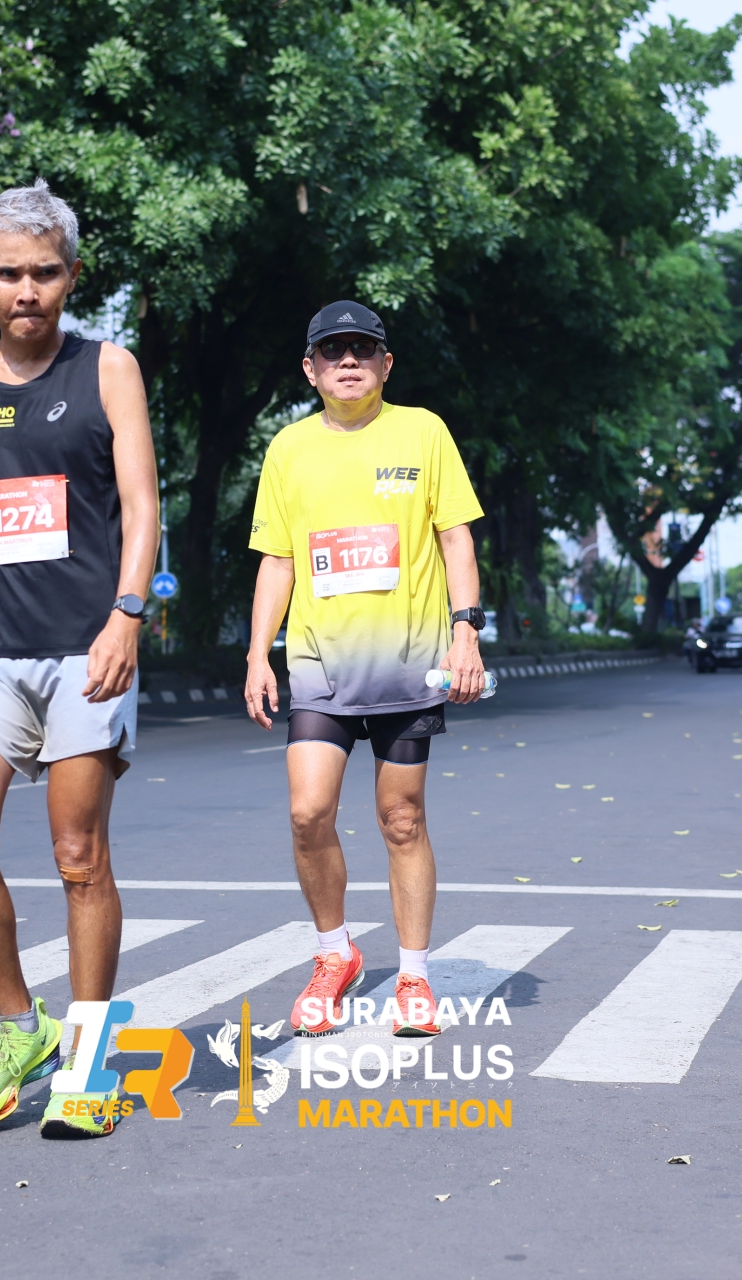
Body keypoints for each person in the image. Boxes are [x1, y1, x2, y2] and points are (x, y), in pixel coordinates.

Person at [0, 180, 159, 1138]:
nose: (28, 290)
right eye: (10, 273)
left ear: (72, 277)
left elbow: (141, 507)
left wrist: (126, 617)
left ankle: (89, 1059)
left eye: (47, 273)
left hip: (84, 652)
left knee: (78, 856)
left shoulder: (108, 369)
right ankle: (21, 1029)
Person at [244, 300, 486, 1039]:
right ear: (310, 368)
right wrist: (257, 653)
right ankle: (334, 953)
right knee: (307, 811)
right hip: (320, 665)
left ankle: (413, 976)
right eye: (332, 350)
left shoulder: (424, 431)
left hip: (409, 665)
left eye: (362, 348)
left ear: (386, 363)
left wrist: (467, 634)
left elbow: (455, 539)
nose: (347, 360)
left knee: (401, 819)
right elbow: (277, 560)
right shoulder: (288, 448)